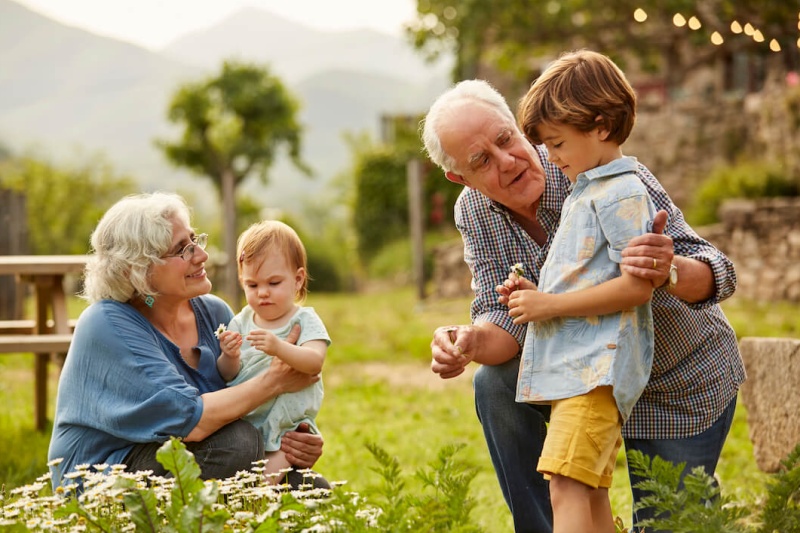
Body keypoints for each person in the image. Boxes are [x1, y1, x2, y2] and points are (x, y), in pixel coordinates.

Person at [421, 75, 745, 532]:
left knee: (675, 524)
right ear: (460, 177)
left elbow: (716, 269)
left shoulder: (594, 164)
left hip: (673, 380)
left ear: (516, 124)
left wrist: (667, 269)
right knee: (494, 384)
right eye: (481, 160)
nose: (508, 160)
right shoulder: (473, 211)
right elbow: (506, 319)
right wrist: (470, 341)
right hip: (585, 380)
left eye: (505, 139)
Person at [48, 192, 327, 489]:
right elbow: (191, 421)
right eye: (183, 249)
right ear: (139, 270)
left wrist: (295, 437)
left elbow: (244, 395)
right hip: (107, 476)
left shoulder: (214, 312)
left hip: (193, 456)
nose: (201, 255)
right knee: (238, 443)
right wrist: (277, 380)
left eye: (195, 241)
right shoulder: (106, 323)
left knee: (311, 488)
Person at [498, 50, 657, 533]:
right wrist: (535, 293)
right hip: (578, 370)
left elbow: (637, 288)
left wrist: (550, 304)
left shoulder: (622, 192)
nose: (551, 155)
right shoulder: (585, 190)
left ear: (602, 126)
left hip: (597, 371)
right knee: (588, 494)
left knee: (565, 487)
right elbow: (590, 276)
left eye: (558, 142)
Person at [217, 220, 330, 485]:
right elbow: (226, 374)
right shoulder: (241, 321)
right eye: (252, 285)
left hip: (287, 426)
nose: (263, 293)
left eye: (274, 282)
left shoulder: (304, 320)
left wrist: (280, 347)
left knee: (261, 484)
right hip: (249, 419)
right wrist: (229, 356)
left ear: (298, 279)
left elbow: (314, 362)